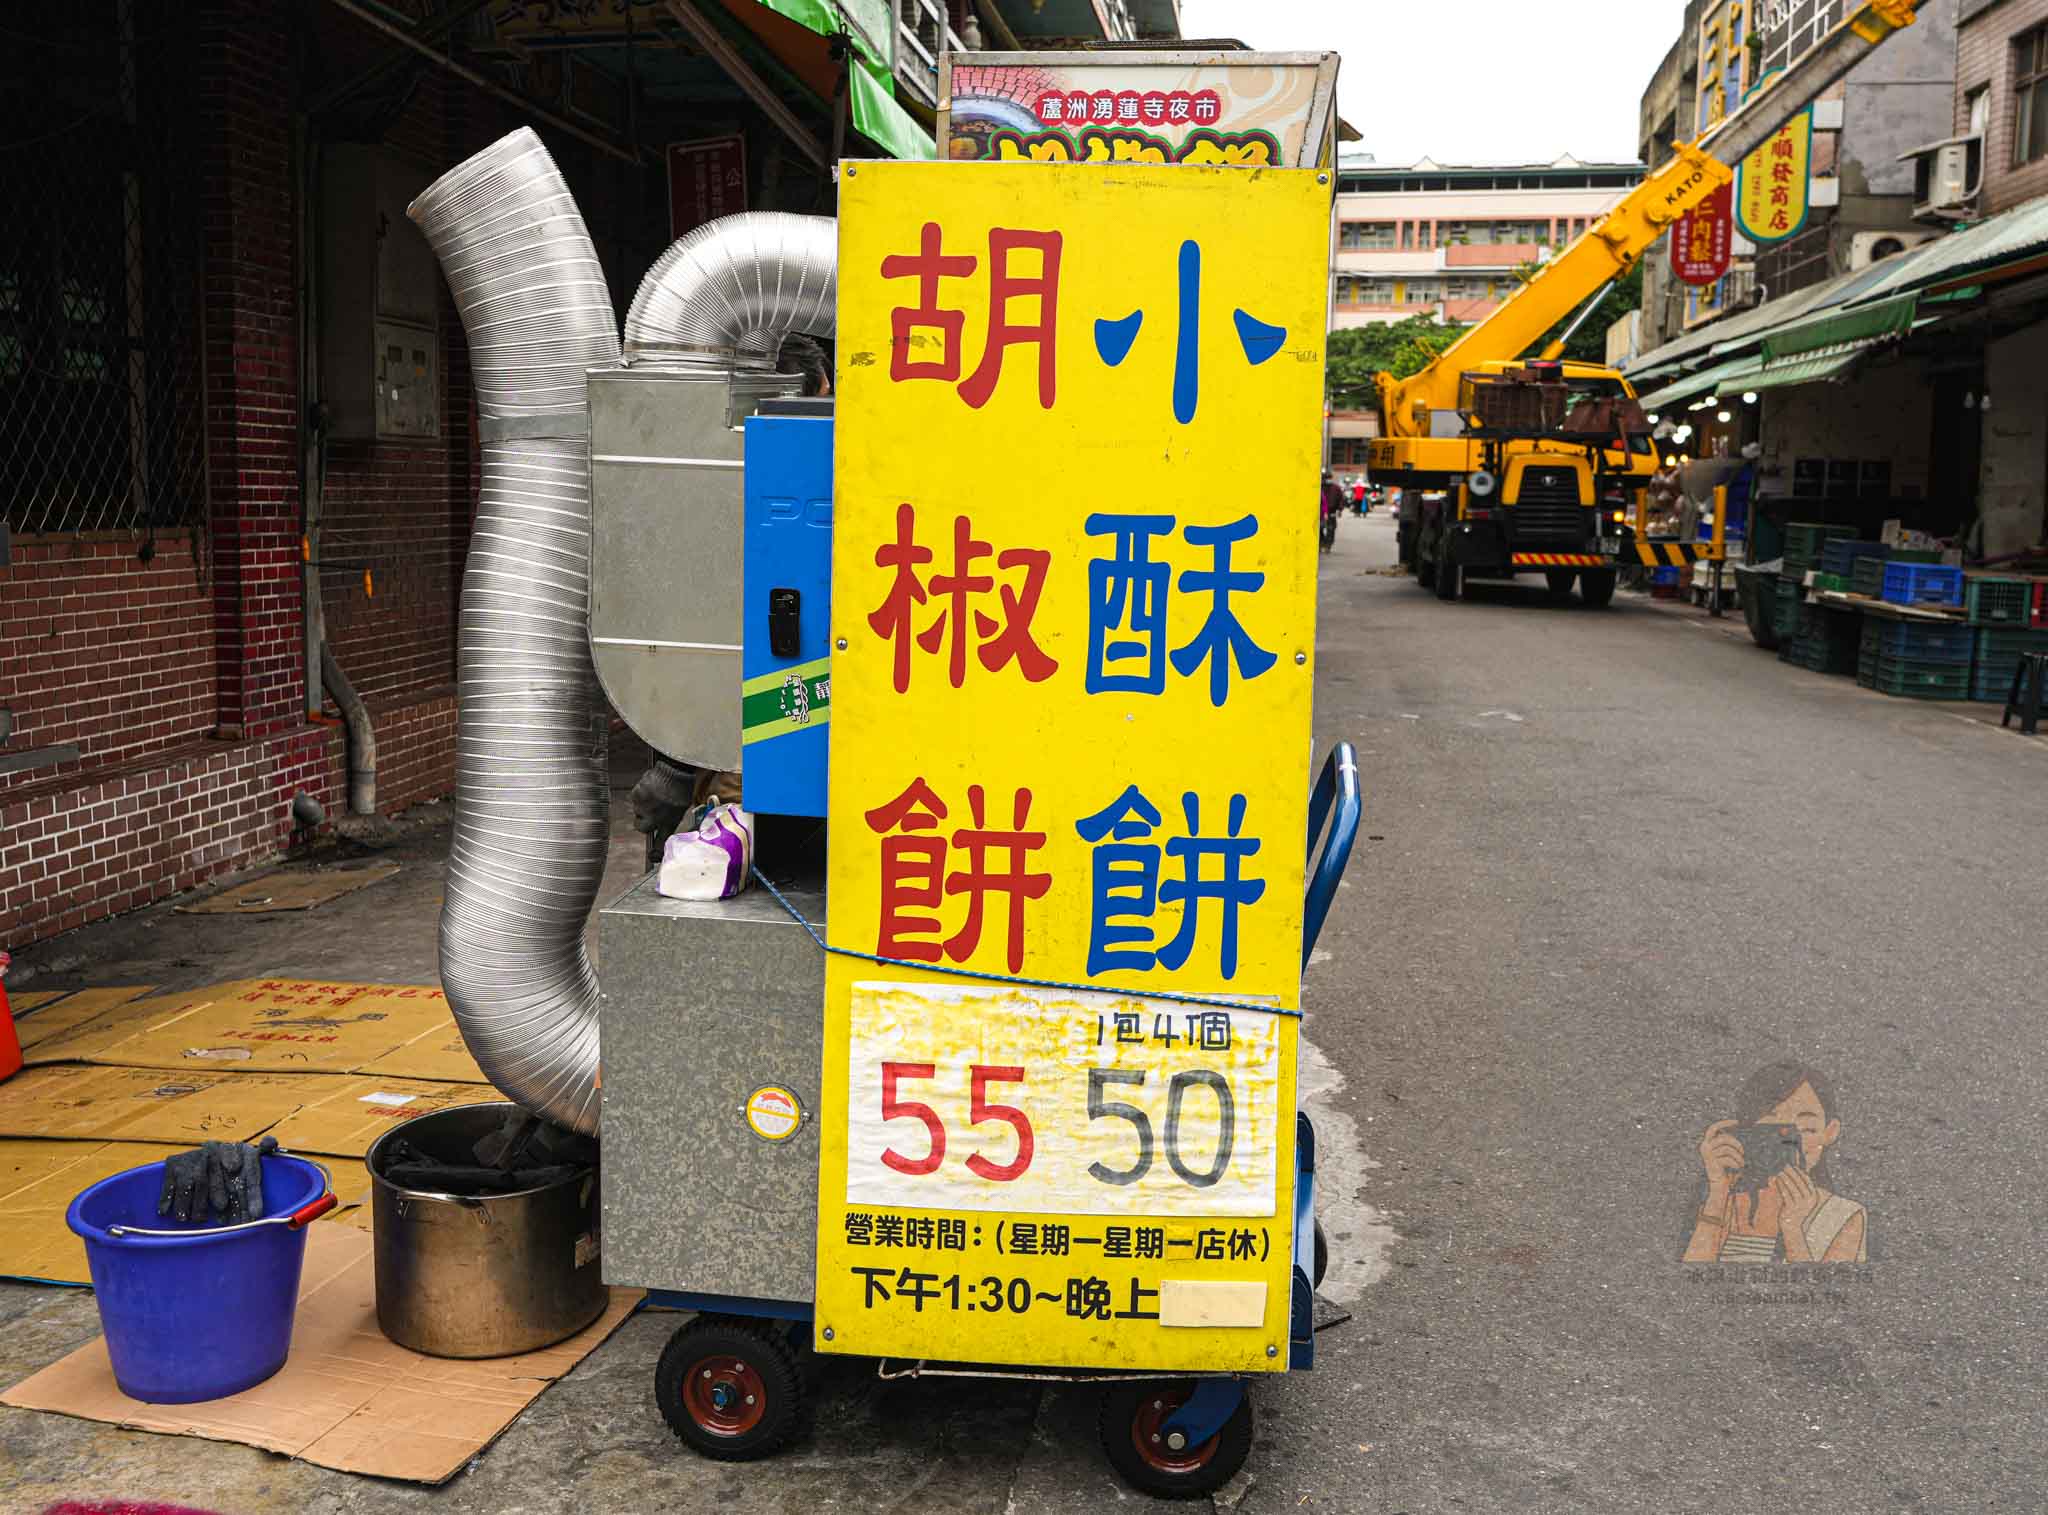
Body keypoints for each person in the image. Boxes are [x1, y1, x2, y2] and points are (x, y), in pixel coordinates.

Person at [1683, 1063, 1868, 1264]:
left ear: (1830, 1132)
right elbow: (1690, 1283)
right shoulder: (1723, 1202)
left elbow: (1822, 1294)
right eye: (1772, 1129)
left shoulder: (1841, 1216)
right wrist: (1717, 1192)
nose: (1791, 1143)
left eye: (1807, 1129)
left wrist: (1793, 1230)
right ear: (1747, 1130)